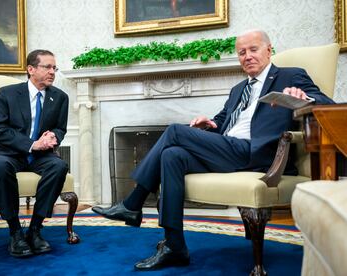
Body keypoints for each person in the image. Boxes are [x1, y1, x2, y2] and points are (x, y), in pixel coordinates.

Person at [92, 29, 335, 270]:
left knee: (175, 131)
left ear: (269, 50)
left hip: (259, 152)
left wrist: (303, 97)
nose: (247, 56)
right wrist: (210, 124)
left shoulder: (290, 76)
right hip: (230, 149)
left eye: (253, 49)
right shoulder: (238, 89)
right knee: (172, 155)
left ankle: (133, 203)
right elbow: (222, 121)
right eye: (241, 52)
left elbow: (327, 104)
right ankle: (175, 245)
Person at [0, 49, 69, 257]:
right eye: (47, 67)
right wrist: (32, 144)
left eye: (54, 67)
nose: (52, 72)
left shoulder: (60, 97)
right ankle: (15, 232)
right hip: (9, 152)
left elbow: (60, 129)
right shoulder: (8, 93)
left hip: (41, 157)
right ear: (31, 69)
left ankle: (35, 229)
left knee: (59, 166)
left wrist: (52, 137)